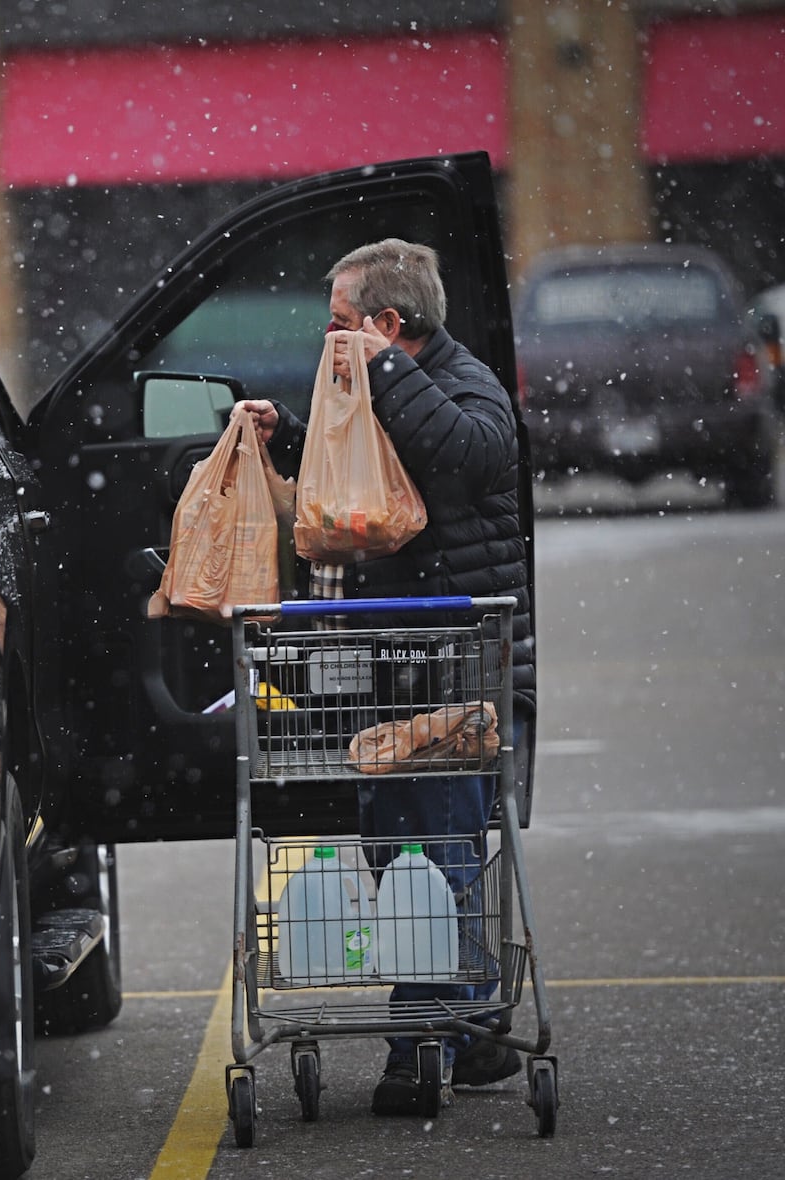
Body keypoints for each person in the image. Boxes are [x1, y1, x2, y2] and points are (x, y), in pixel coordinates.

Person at [244, 238, 536, 1117]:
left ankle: (419, 1049)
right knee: (397, 851)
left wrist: (383, 370)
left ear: (388, 325)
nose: (326, 340)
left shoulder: (464, 384)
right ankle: (475, 1027)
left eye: (340, 324)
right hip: (395, 671)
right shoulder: (374, 390)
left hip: (459, 675)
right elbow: (377, 491)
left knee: (433, 857)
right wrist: (289, 435)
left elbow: (466, 458)